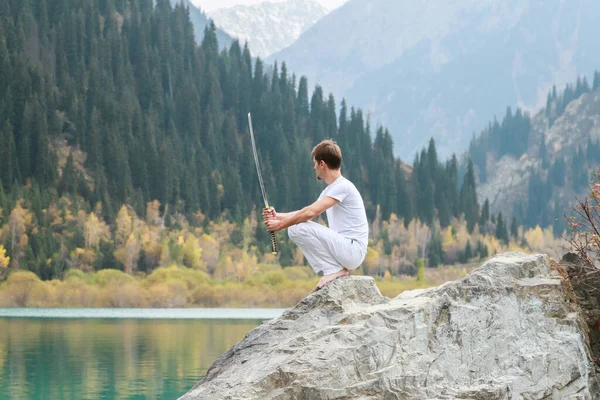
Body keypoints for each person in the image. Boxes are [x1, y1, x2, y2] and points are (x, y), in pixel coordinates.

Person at [263, 139, 368, 289]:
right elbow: (305, 211)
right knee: (295, 224)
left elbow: (310, 213)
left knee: (295, 228)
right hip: (347, 250)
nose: (314, 167)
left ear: (322, 164)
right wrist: (277, 215)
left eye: (314, 163)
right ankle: (335, 270)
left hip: (352, 250)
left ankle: (334, 270)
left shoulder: (343, 187)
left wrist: (279, 225)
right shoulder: (332, 189)